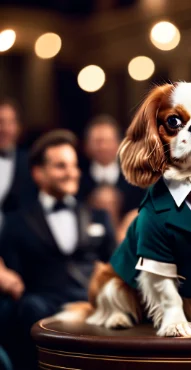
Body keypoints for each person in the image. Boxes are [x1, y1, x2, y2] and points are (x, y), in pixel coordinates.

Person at [0, 129, 116, 369]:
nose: (71, 173)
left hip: (91, 303)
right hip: (42, 307)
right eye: (60, 166)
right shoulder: (16, 223)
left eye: (73, 165)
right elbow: (13, 276)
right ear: (38, 173)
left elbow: (116, 266)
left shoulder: (98, 216)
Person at [78, 114, 145, 214]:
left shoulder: (137, 179)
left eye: (108, 141)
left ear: (119, 143)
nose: (103, 147)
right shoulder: (77, 178)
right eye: (97, 142)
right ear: (86, 145)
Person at [0, 98, 36, 231]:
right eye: (0, 122)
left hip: (17, 245)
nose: (4, 129)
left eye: (10, 123)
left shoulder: (31, 164)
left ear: (18, 127)